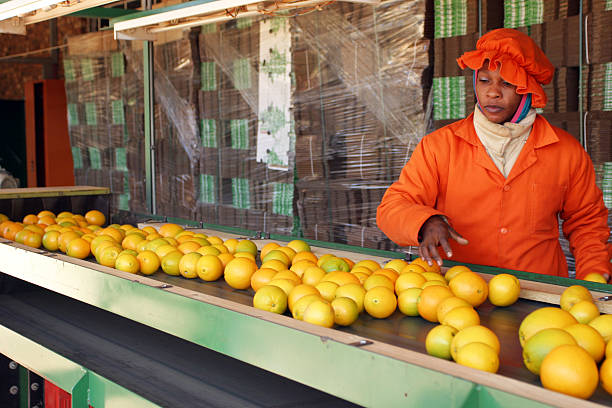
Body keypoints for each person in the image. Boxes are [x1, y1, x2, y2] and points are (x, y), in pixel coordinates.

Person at [376, 28, 610, 280]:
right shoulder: (440, 146)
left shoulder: (566, 152)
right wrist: (424, 222)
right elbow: (392, 208)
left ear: (528, 88)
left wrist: (594, 280)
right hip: (456, 293)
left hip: (540, 295)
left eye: (507, 82)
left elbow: (587, 224)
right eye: (484, 80)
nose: (493, 92)